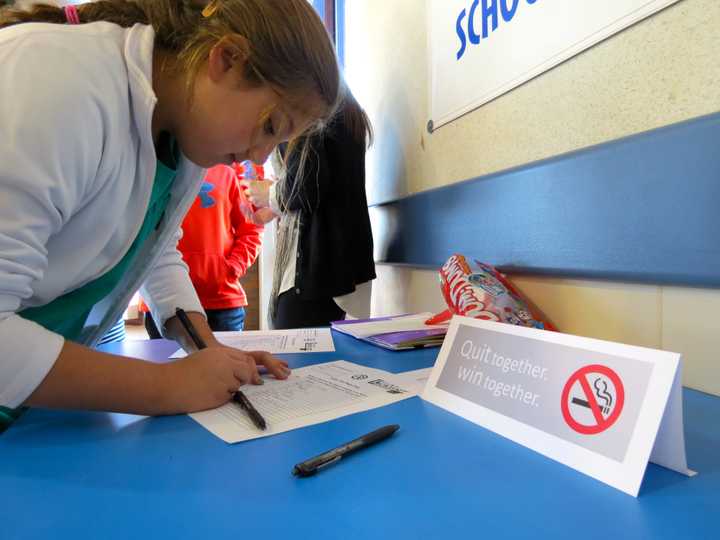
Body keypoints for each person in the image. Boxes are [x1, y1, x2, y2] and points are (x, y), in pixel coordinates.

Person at [0, 0, 340, 430]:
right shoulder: (54, 78)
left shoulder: (181, 133)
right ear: (227, 59)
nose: (258, 156)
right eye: (270, 126)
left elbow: (154, 253)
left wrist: (208, 353)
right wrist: (166, 386)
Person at [242, 91, 376, 329]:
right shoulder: (342, 105)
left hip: (317, 270)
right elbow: (322, 185)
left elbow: (307, 184)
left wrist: (271, 195)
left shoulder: (317, 105)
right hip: (338, 266)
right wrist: (275, 207)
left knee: (293, 357)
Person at [143, 162, 263, 337]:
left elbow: (251, 229)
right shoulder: (156, 170)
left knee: (224, 363)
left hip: (221, 300)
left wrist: (234, 266)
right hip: (164, 300)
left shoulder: (227, 172)